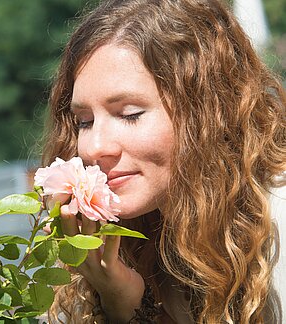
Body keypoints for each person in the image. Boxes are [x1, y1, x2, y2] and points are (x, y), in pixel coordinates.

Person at [41, 0, 286, 323]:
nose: (94, 147)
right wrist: (120, 300)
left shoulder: (277, 214)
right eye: (84, 121)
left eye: (129, 114)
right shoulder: (126, 244)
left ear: (206, 112)